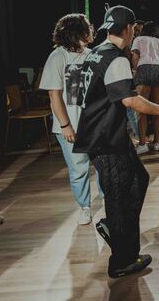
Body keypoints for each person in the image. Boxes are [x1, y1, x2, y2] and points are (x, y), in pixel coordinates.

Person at [73, 5, 159, 278]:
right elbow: (129, 99)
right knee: (119, 197)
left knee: (138, 180)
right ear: (130, 28)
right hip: (105, 138)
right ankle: (121, 260)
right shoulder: (116, 58)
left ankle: (116, 230)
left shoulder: (96, 53)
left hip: (107, 135)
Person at [39, 14, 100, 226]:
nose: (92, 29)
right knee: (79, 168)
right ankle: (85, 206)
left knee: (103, 164)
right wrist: (65, 125)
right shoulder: (58, 57)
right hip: (71, 124)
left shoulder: (93, 54)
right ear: (77, 31)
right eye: (88, 27)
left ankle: (108, 199)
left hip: (95, 122)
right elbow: (54, 95)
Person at [131, 21, 159, 153]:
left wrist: (135, 71)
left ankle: (143, 144)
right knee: (158, 108)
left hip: (144, 69)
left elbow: (135, 56)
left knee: (142, 109)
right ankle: (157, 142)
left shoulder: (138, 39)